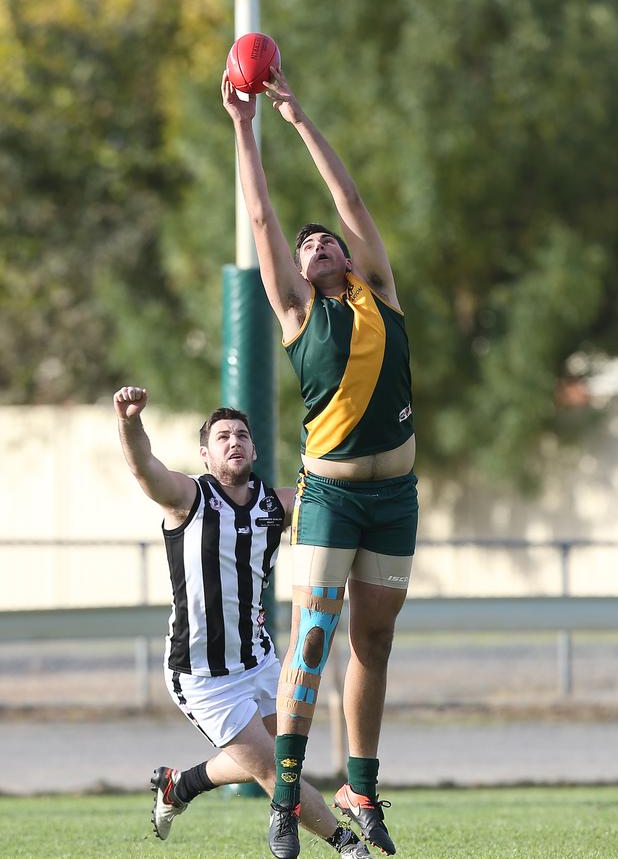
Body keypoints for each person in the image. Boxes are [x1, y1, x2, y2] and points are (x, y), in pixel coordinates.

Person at [222, 66, 418, 859]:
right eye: (307, 246)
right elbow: (264, 213)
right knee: (311, 637)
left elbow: (352, 202)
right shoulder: (299, 314)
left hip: (396, 496)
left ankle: (360, 787)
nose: (318, 242)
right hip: (331, 496)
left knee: (374, 642)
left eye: (326, 239)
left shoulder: (378, 291)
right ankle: (286, 797)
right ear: (296, 273)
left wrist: (300, 119)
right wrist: (244, 125)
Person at [113, 385, 372, 858]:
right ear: (205, 453)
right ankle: (347, 845)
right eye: (223, 436)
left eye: (242, 435)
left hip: (259, 661)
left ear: (254, 449)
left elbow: (335, 493)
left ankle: (179, 786)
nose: (234, 441)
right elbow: (143, 467)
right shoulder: (188, 499)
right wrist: (130, 422)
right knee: (278, 769)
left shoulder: (275, 505)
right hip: (203, 676)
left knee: (283, 756)